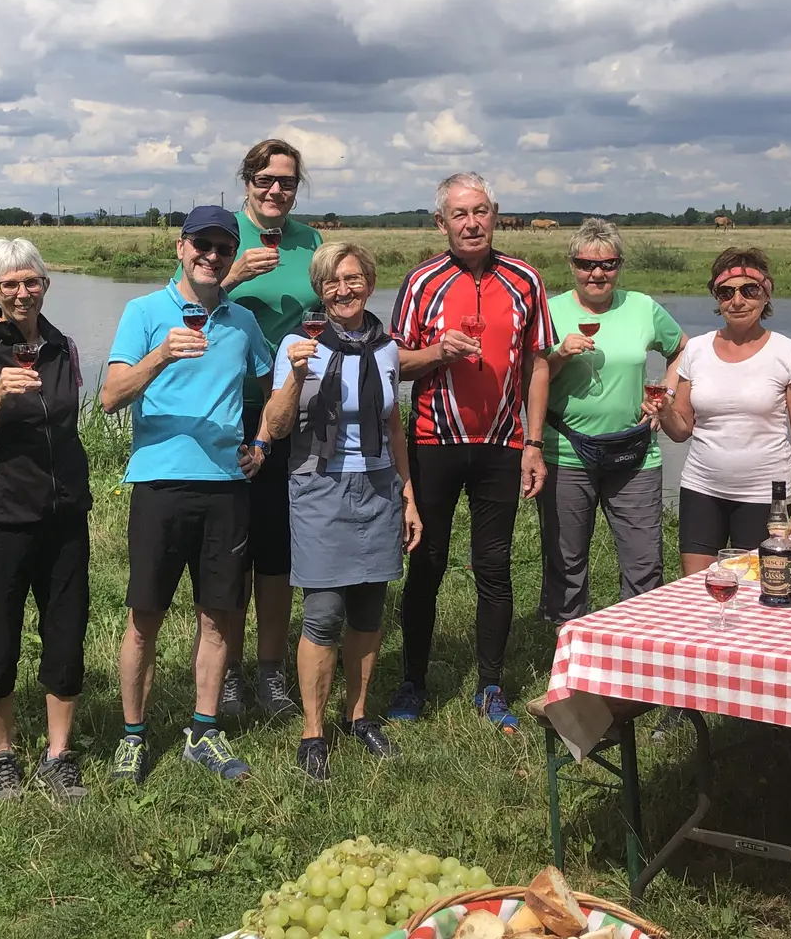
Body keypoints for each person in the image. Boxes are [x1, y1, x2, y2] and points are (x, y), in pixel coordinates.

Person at [100, 205, 273, 783]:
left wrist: (264, 442)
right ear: (181, 247)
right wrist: (160, 354)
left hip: (226, 486)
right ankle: (132, 736)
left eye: (225, 248)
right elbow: (109, 397)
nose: (213, 256)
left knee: (218, 617)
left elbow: (274, 385)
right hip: (160, 481)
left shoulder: (243, 321)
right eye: (203, 244)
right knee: (143, 617)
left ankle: (204, 730)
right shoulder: (144, 311)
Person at [384, 172, 553, 733]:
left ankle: (491, 684)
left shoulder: (525, 279)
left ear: (495, 215)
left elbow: (536, 363)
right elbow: (394, 363)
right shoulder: (421, 282)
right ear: (441, 223)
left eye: (480, 211)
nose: (472, 223)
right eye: (459, 214)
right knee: (427, 563)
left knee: (494, 566)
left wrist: (533, 442)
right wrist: (435, 351)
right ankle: (413, 681)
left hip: (503, 444)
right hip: (434, 441)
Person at [262, 242, 421, 778]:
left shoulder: (387, 349)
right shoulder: (296, 345)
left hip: (378, 484)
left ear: (369, 281)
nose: (342, 290)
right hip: (319, 485)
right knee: (324, 612)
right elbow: (277, 427)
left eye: (351, 278)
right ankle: (313, 731)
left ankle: (358, 716)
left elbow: (394, 425)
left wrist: (407, 492)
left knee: (370, 609)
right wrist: (294, 376)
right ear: (319, 290)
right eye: (330, 282)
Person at [0, 238, 93, 803]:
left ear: (45, 285)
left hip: (63, 515)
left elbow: (64, 425)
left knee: (65, 632)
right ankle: (2, 755)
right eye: (10, 284)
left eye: (31, 281)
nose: (22, 292)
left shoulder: (64, 347)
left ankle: (59, 755)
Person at [213, 138, 323, 719]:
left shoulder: (310, 241)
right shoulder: (219, 233)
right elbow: (182, 307)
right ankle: (226, 672)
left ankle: (271, 672)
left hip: (293, 411)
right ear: (246, 181)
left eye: (286, 181)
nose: (275, 190)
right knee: (233, 550)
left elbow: (329, 307)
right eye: (264, 179)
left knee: (278, 551)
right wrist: (229, 277)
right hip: (230, 409)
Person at [538, 220, 687, 621]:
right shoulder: (549, 311)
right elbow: (528, 379)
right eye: (587, 264)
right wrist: (560, 354)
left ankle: (636, 652)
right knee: (565, 562)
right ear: (572, 265)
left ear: (619, 266)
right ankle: (568, 653)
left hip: (635, 454)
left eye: (608, 264)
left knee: (644, 563)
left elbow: (682, 351)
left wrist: (665, 396)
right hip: (566, 451)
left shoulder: (642, 307)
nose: (597, 274)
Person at [660, 248, 791, 579]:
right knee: (698, 589)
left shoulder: (787, 352)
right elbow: (681, 429)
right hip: (702, 488)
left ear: (766, 293)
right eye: (726, 292)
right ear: (716, 297)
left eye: (749, 291)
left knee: (762, 588)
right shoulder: (697, 350)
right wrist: (662, 411)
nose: (738, 301)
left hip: (766, 496)